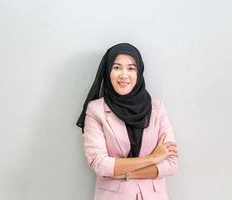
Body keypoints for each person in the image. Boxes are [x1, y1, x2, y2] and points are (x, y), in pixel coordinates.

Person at [76, 43, 179, 200]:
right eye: (117, 68)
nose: (124, 75)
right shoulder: (96, 110)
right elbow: (99, 164)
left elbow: (171, 162)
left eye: (131, 68)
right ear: (108, 71)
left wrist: (123, 172)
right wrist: (152, 158)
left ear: (139, 73)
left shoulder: (157, 107)